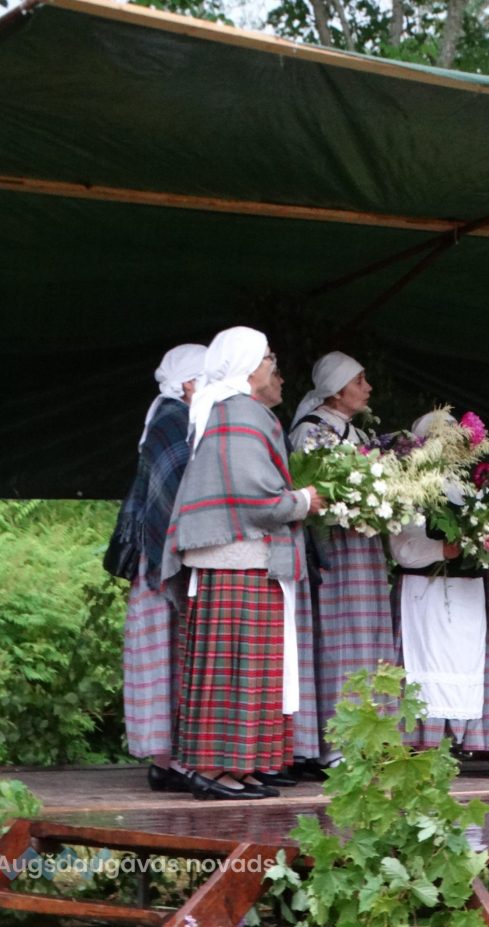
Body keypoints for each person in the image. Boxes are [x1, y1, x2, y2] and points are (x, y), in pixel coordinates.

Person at [162, 327, 321, 800]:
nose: (273, 365)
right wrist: (303, 500)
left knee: (240, 669)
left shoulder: (223, 409)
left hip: (237, 559)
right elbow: (255, 495)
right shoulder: (241, 413)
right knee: (236, 669)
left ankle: (237, 767)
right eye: (268, 356)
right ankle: (214, 770)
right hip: (240, 560)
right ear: (249, 366)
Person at [288, 351, 395, 771]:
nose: (367, 388)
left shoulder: (357, 433)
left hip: (362, 550)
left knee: (366, 637)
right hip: (335, 550)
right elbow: (317, 493)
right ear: (335, 390)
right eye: (359, 381)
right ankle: (335, 742)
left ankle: (367, 736)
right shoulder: (312, 431)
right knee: (339, 637)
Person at [119, 343, 205, 793]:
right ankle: (167, 761)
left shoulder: (174, 416)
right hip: (163, 561)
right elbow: (174, 490)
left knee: (174, 657)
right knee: (169, 655)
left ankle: (171, 760)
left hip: (168, 556)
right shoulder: (173, 419)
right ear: (189, 382)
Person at [390, 410, 486, 750]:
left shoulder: (468, 486)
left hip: (466, 591)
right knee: (427, 661)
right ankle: (423, 739)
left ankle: (455, 740)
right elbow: (402, 548)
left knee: (460, 661)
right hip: (425, 588)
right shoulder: (413, 485)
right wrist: (443, 549)